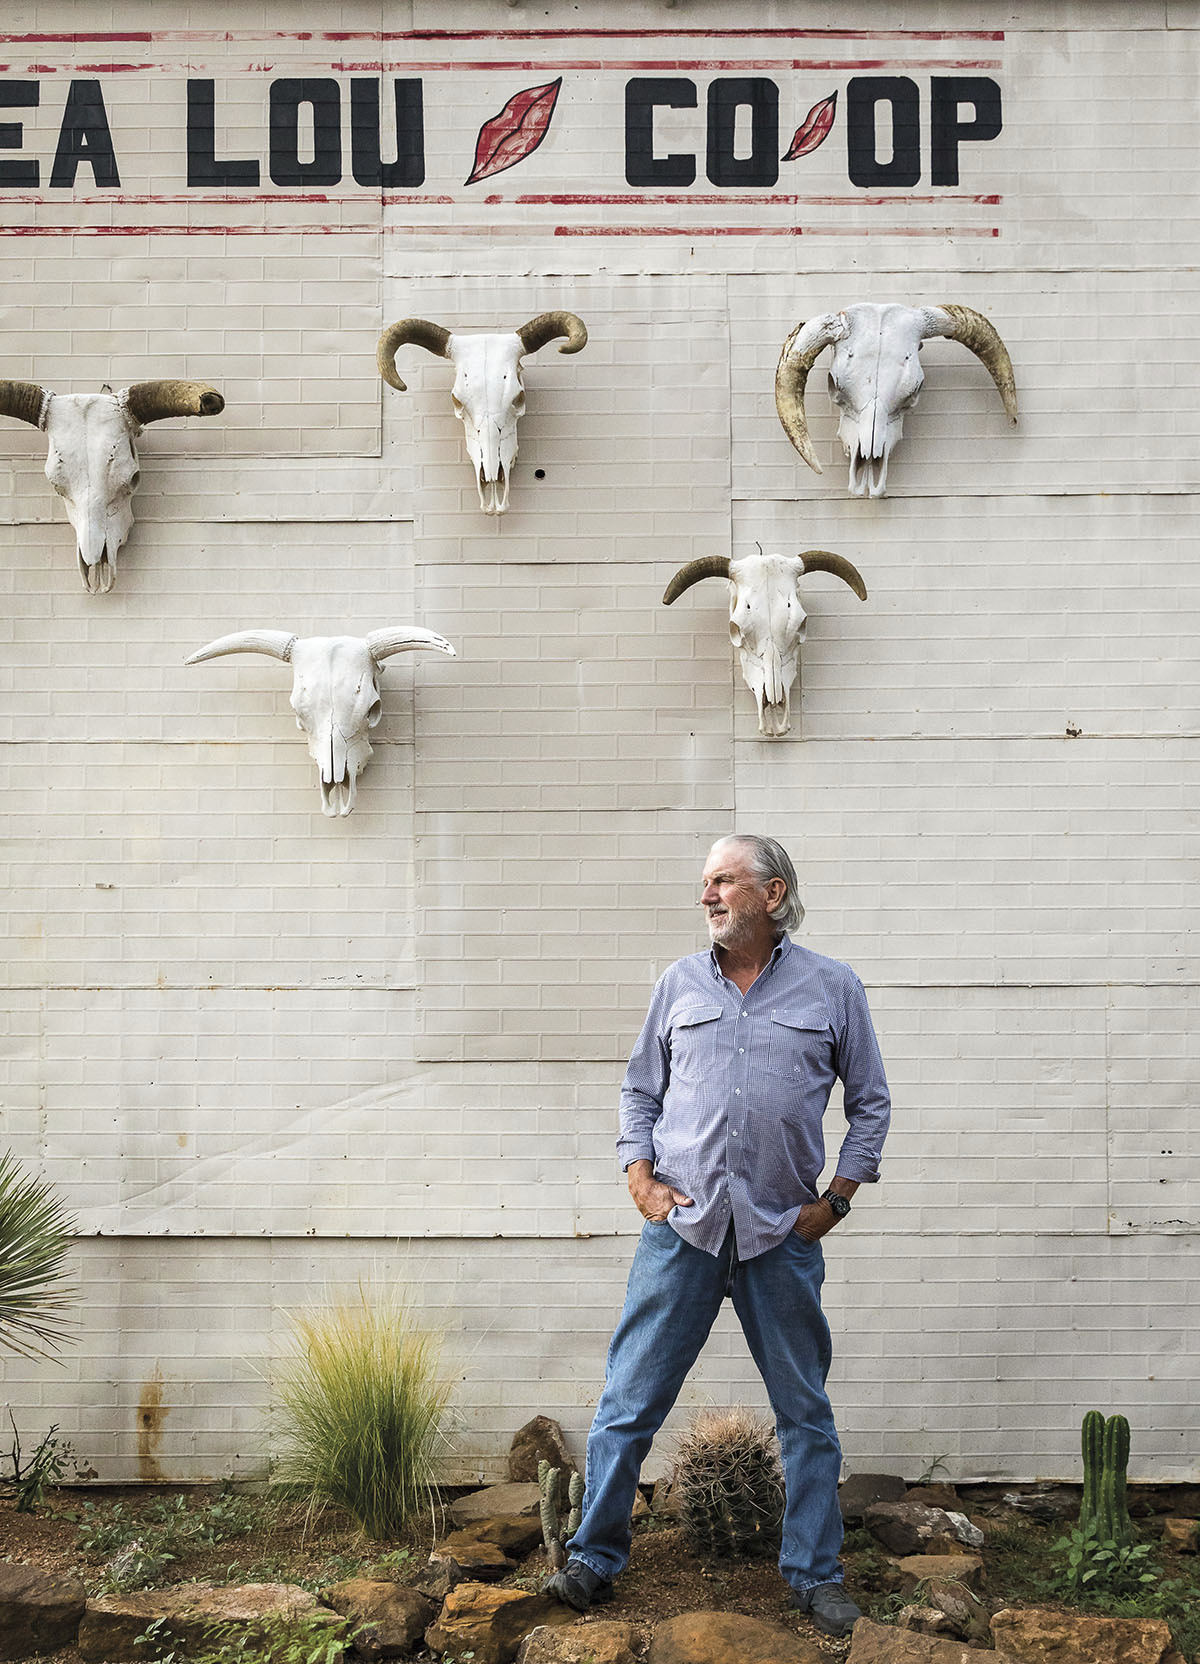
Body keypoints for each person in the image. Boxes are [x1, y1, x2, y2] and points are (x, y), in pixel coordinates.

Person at [546, 834, 891, 1638]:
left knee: (805, 1415)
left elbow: (870, 1103)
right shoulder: (677, 985)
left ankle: (815, 1575)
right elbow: (639, 1090)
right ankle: (593, 1559)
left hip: (781, 1235)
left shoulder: (831, 987)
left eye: (724, 881)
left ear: (772, 895)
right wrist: (640, 1176)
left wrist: (835, 1201)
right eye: (705, 883)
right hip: (685, 1232)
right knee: (627, 1405)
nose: (708, 896)